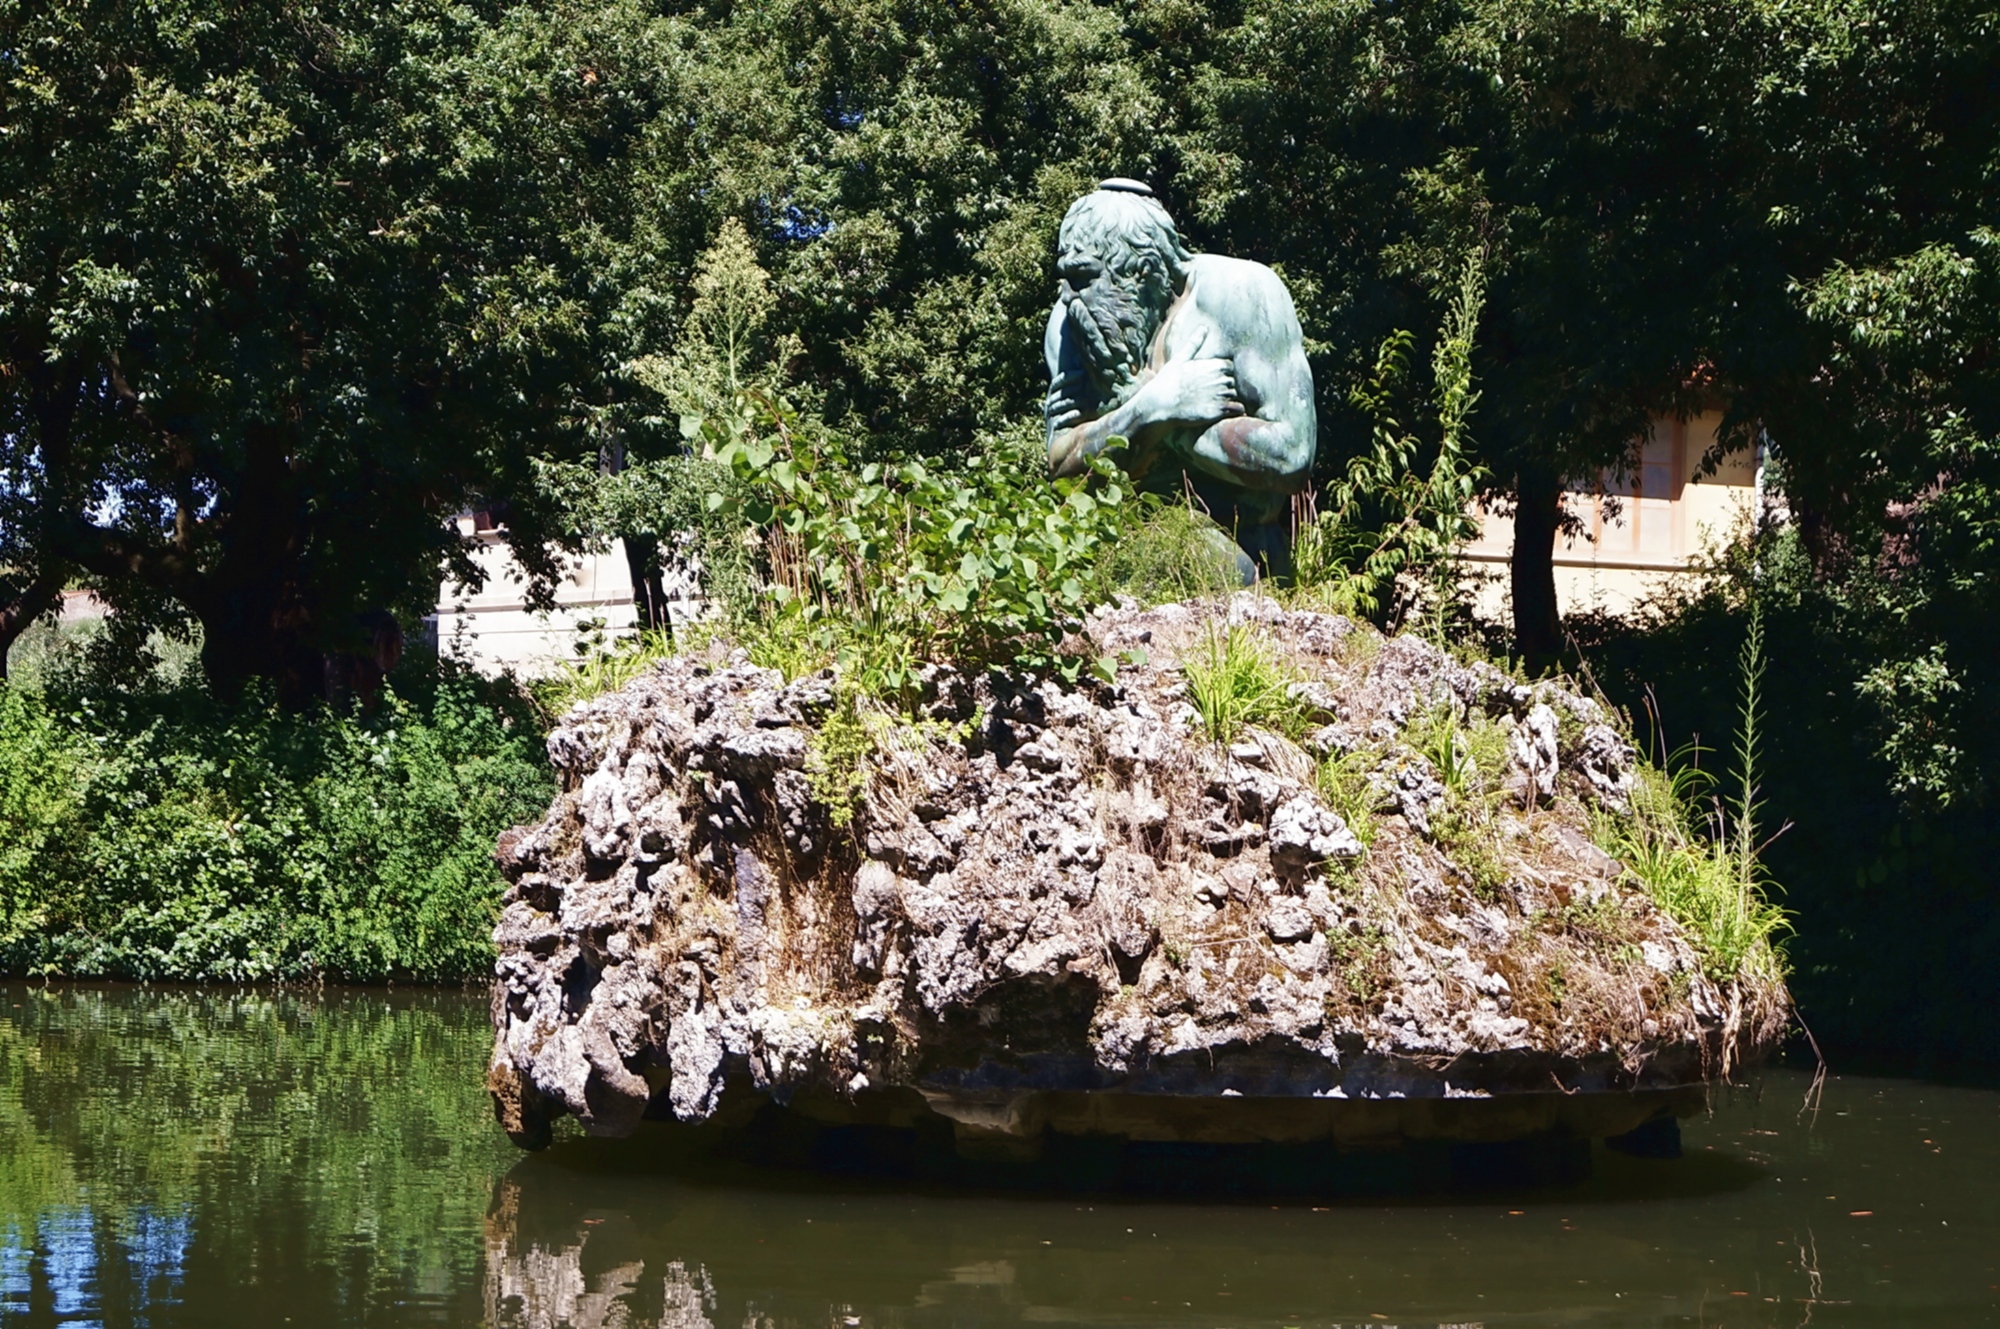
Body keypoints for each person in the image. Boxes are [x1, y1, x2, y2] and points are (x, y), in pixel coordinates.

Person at [1044, 179, 1316, 578]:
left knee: (1229, 567)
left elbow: (1292, 456)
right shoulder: (1069, 324)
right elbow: (1061, 470)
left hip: (1244, 553)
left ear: (1143, 270)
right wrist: (1153, 406)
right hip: (1115, 539)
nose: (1069, 297)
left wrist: (1167, 429)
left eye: (1085, 277)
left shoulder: (1242, 293)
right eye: (1065, 278)